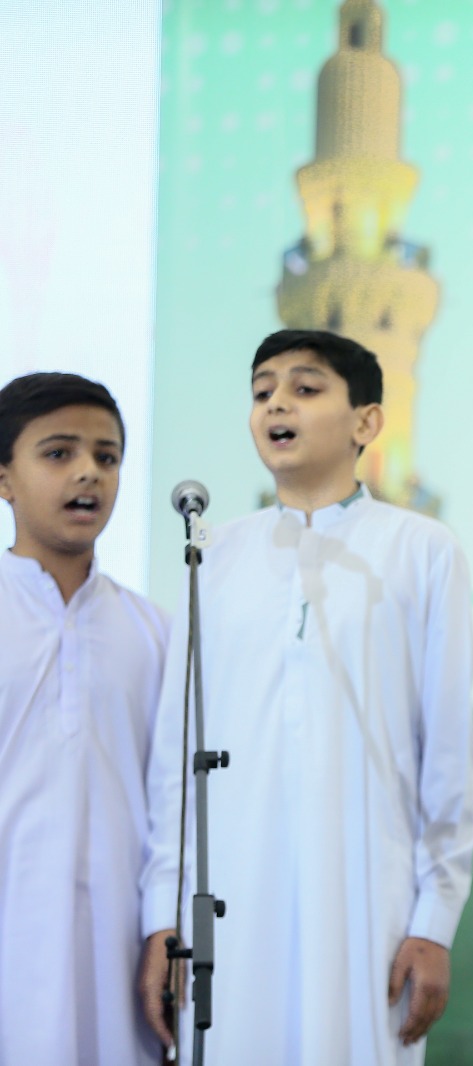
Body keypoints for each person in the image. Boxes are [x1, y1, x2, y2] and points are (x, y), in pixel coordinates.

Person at [136, 330, 473, 1064]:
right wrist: (163, 912)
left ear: (366, 421)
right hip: (232, 896)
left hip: (369, 896)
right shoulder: (212, 556)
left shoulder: (422, 550)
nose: (277, 405)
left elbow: (447, 750)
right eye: (262, 392)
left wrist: (435, 919)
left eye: (305, 387)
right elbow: (176, 758)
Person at [0, 373, 167, 1064]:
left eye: (107, 456)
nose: (89, 474)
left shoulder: (153, 632)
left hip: (118, 956)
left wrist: (164, 928)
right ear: (4, 478)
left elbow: (174, 806)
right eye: (59, 453)